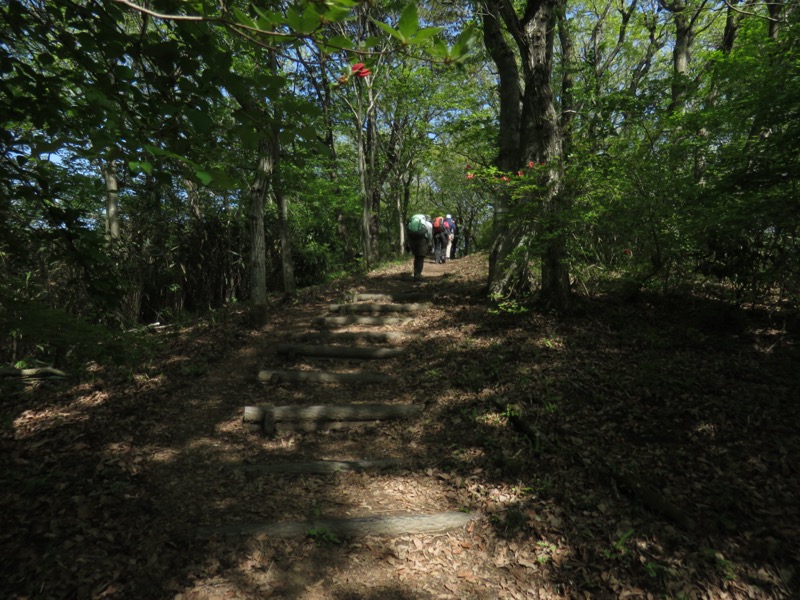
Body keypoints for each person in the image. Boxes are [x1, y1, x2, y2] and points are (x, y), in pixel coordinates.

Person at [406, 214, 432, 280]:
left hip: (412, 240)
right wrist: (429, 243)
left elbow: (407, 233)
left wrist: (407, 243)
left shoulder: (410, 224)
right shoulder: (427, 224)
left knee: (416, 257)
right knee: (420, 257)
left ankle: (415, 273)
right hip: (422, 241)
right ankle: (418, 274)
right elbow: (429, 234)